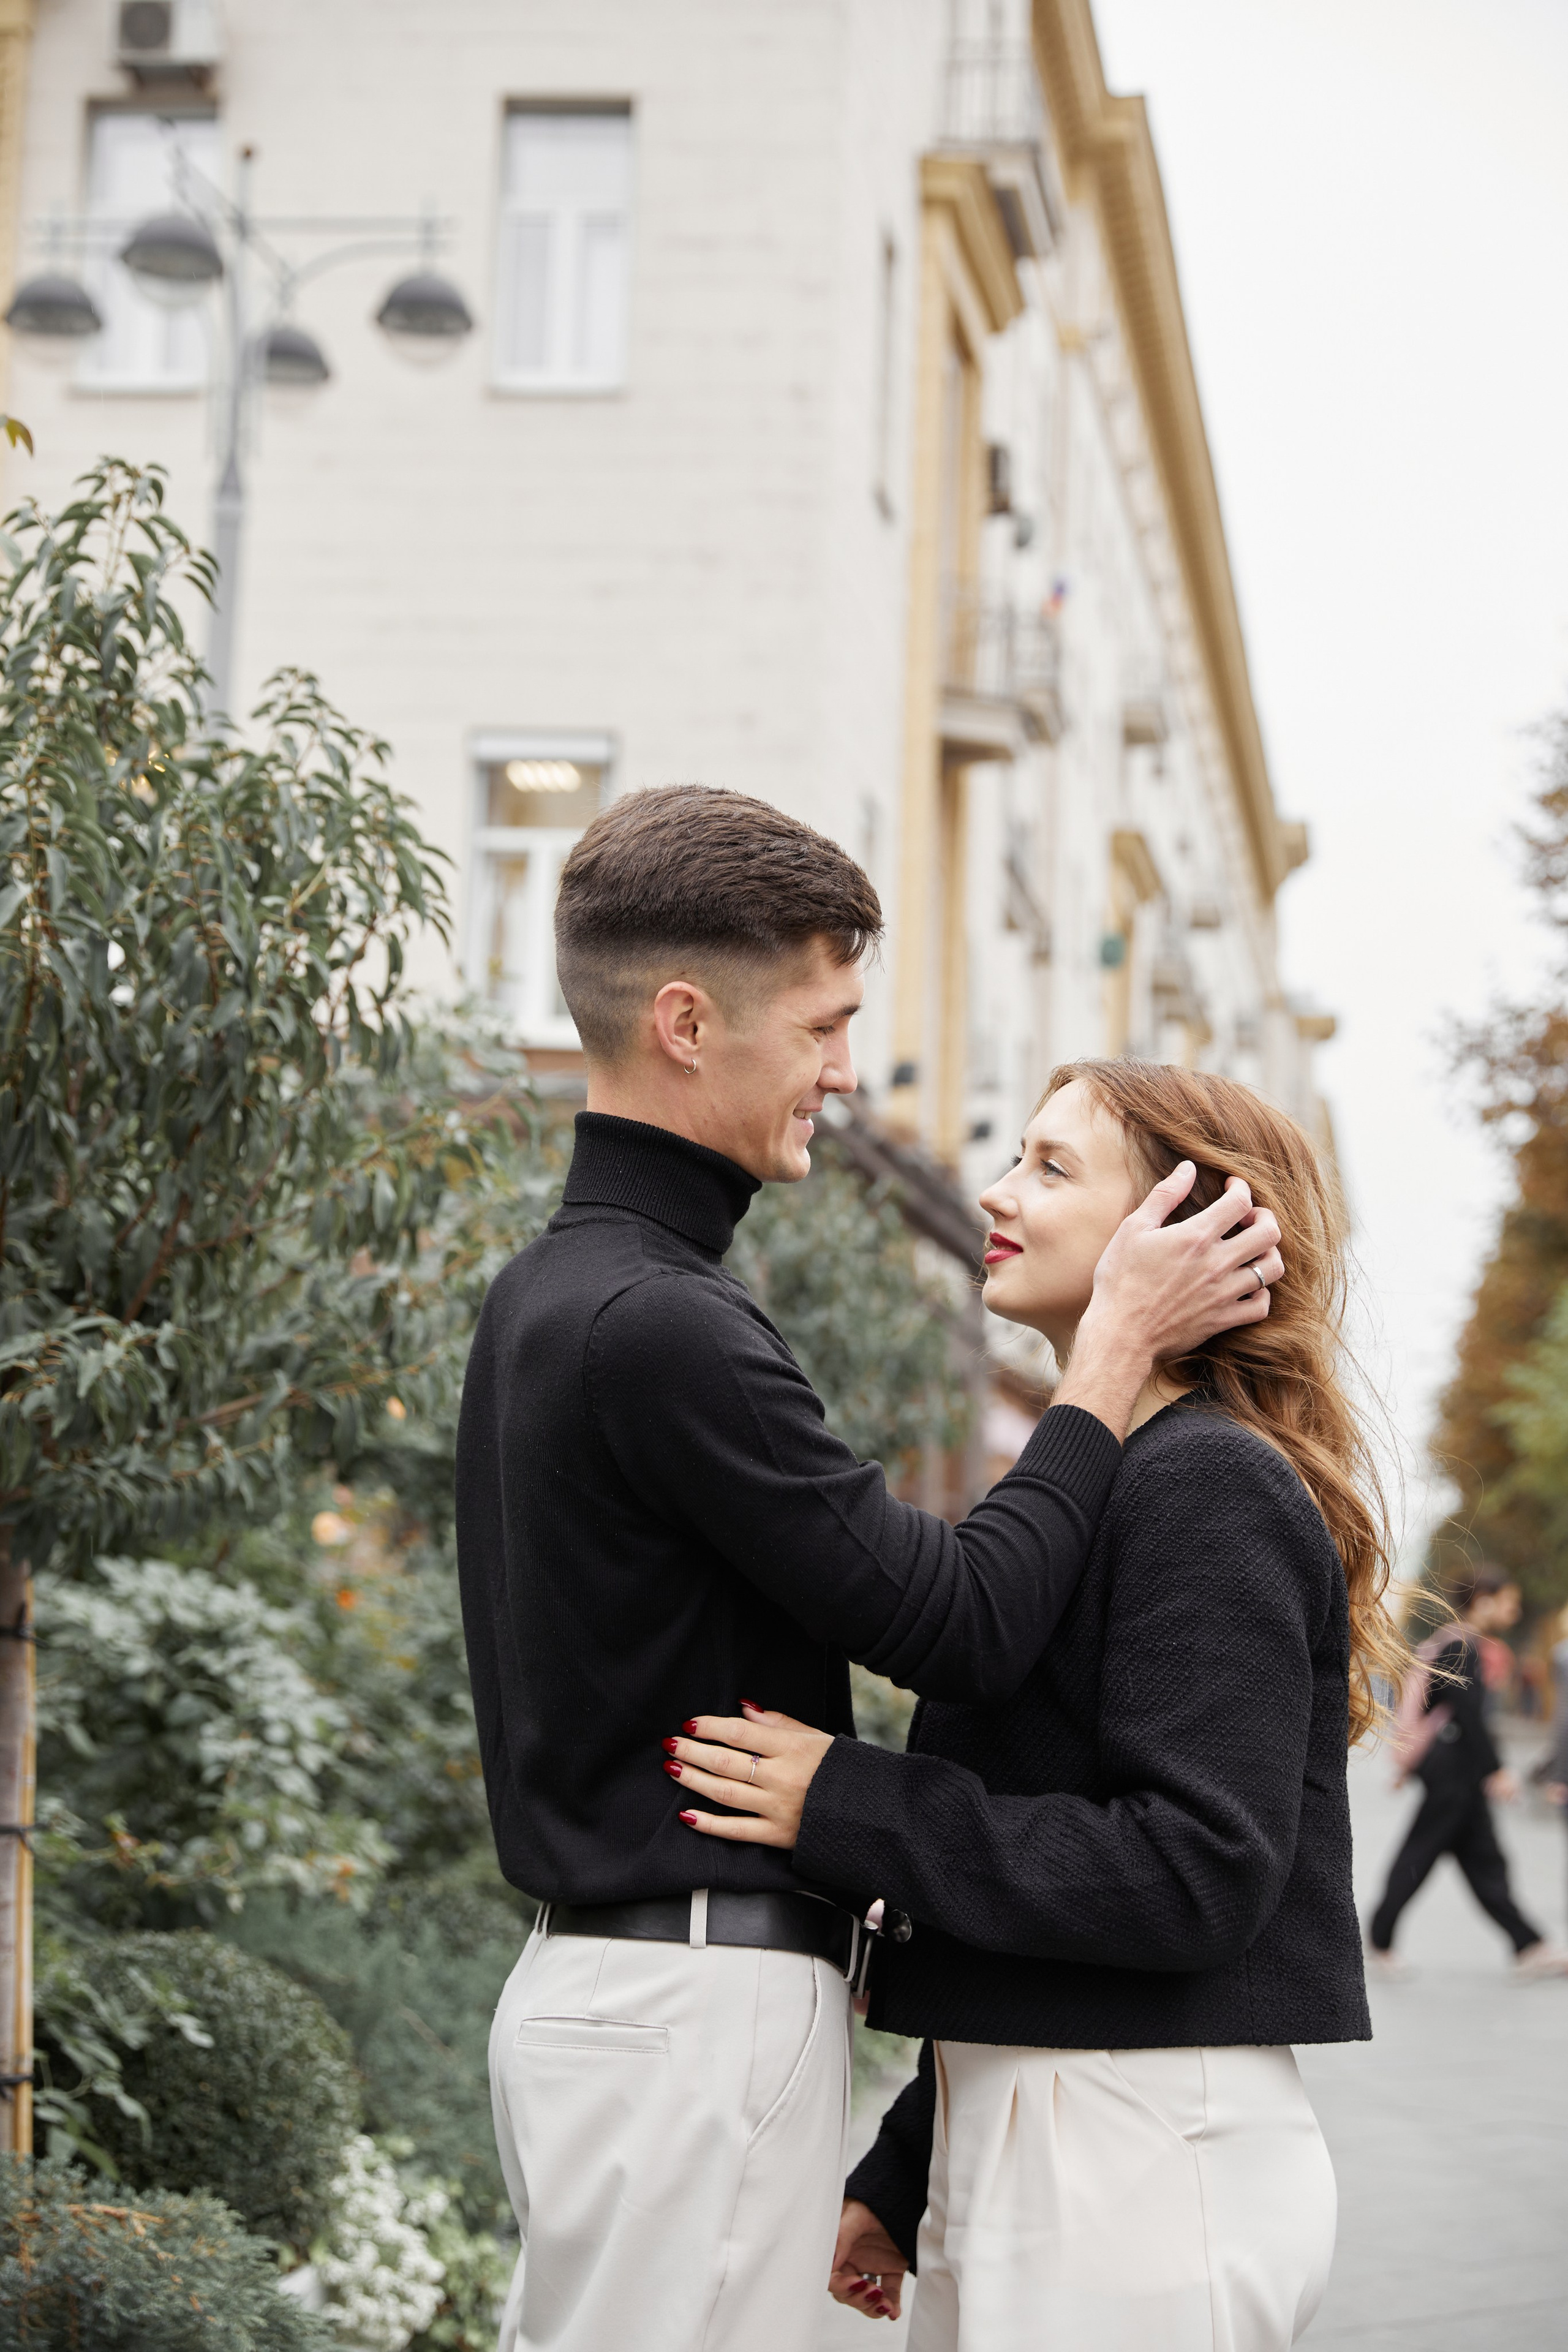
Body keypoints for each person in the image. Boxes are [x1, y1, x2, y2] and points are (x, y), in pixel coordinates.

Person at [454, 791, 1284, 2352]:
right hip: (688, 2001)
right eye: (825, 1024)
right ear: (687, 1023)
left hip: (640, 2001)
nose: (846, 1070)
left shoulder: (557, 1291)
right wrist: (1107, 1354)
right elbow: (959, 1624)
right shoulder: (661, 1320)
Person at [669, 1058, 1390, 2348]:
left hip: (1131, 2154)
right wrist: (907, 2167)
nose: (997, 1192)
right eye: (1016, 1155)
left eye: (1052, 1168)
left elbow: (1193, 1872)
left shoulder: (1204, 1482)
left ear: (1179, 1230)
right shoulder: (1110, 1478)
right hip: (1057, 2134)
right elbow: (1055, 1887)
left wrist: (847, 1804)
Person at [1368, 1567, 1568, 1978]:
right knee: (1422, 1853)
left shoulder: (1456, 1643)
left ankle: (1529, 1945)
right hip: (1454, 1768)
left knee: (1483, 1859)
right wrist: (1497, 1770)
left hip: (1455, 1766)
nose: (1514, 1612)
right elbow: (1468, 1716)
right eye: (1509, 1602)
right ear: (1484, 1601)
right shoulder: (1463, 1647)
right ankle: (1377, 1940)